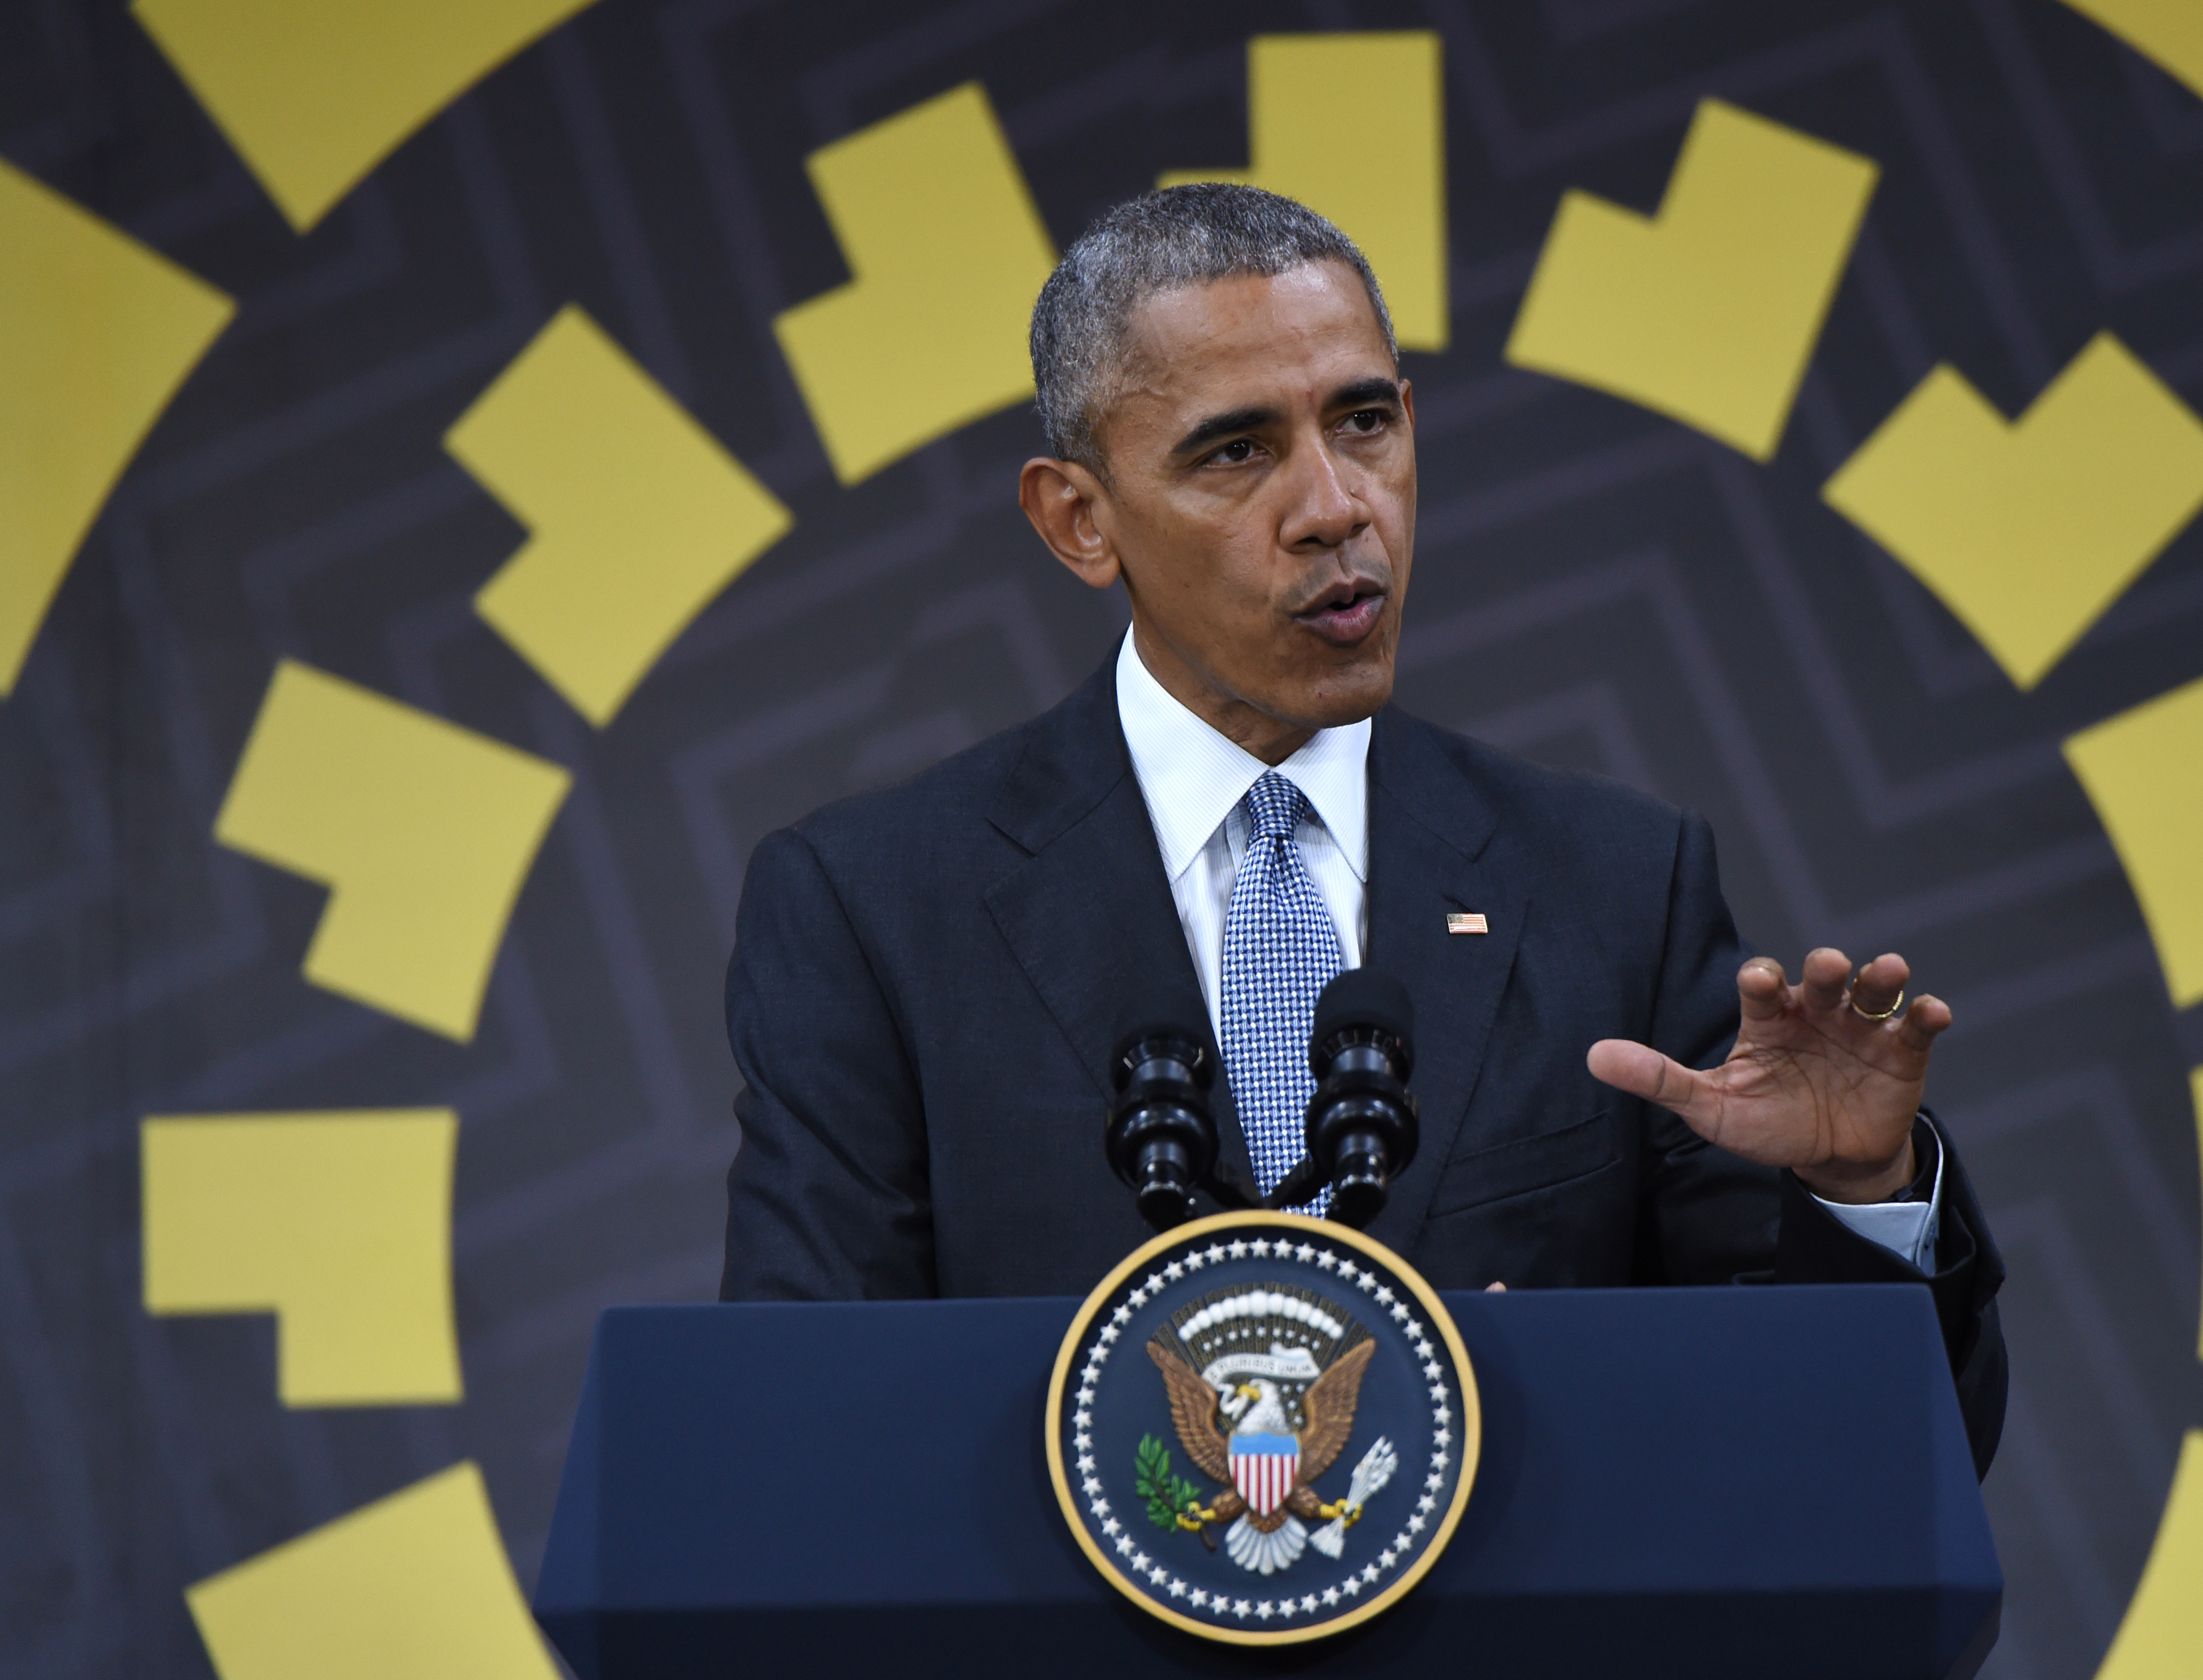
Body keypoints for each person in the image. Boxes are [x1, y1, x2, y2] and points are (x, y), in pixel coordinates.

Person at [721, 184, 2004, 1473]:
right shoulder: (872, 906)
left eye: (1366, 421)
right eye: (1236, 451)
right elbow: (804, 1439)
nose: (1336, 505)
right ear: (1080, 519)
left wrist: (1858, 1194)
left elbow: (1848, 1465)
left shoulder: (1617, 883)